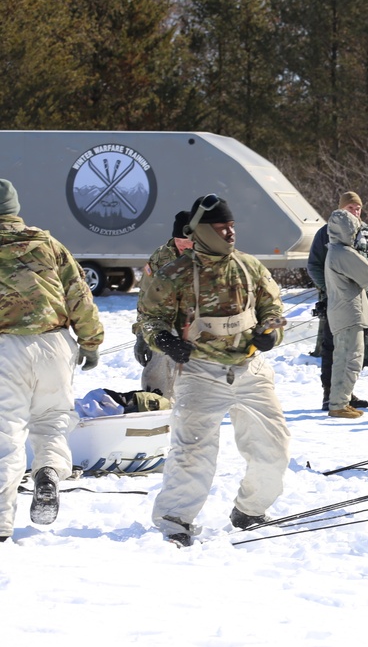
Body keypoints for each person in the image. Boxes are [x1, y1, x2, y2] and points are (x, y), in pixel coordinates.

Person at [137, 194, 290, 547]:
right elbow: (150, 317)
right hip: (201, 373)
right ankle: (175, 520)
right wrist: (164, 340)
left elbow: (273, 308)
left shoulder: (251, 267)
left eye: (232, 226)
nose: (230, 232)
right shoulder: (174, 273)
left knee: (274, 449)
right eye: (222, 227)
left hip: (250, 370)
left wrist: (271, 331)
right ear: (203, 231)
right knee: (191, 452)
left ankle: (250, 509)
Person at [0, 179, 104, 541]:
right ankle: (48, 472)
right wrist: (90, 342)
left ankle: (0, 523)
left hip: (6, 348)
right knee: (52, 419)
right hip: (54, 345)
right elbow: (79, 294)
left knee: (6, 434)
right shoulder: (47, 244)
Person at [306, 191, 368, 410]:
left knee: (353, 351)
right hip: (337, 299)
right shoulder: (326, 234)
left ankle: (346, 393)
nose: (355, 212)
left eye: (358, 208)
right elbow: (314, 266)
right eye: (350, 208)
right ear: (341, 210)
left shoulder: (365, 232)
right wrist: (330, 288)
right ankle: (330, 394)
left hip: (360, 299)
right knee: (333, 348)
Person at [324, 208, 368, 418]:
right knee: (350, 359)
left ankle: (341, 401)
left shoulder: (334, 251)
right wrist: (360, 254)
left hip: (344, 313)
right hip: (349, 314)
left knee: (344, 358)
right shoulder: (343, 253)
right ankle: (338, 404)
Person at [132, 210, 193, 399]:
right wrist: (141, 334)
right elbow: (145, 297)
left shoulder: (208, 255)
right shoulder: (161, 257)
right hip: (164, 325)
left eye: (187, 242)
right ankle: (156, 409)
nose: (182, 247)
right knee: (156, 371)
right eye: (178, 241)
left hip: (198, 327)